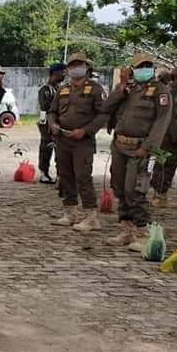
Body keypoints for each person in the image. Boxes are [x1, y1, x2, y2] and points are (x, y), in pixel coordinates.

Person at [103, 54, 172, 250]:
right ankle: (126, 230)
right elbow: (106, 107)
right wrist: (122, 85)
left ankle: (142, 232)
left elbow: (161, 123)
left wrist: (148, 148)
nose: (144, 69)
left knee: (134, 190)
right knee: (119, 187)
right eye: (140, 66)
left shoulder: (160, 91)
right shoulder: (129, 89)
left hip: (140, 148)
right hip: (120, 145)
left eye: (147, 66)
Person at [47, 53, 109, 231]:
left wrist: (85, 130)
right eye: (72, 65)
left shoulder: (96, 90)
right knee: (65, 176)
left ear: (87, 67)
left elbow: (103, 115)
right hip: (63, 139)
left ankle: (90, 216)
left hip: (83, 141)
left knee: (83, 176)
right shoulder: (63, 89)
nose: (75, 68)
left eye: (79, 65)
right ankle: (70, 212)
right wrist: (53, 124)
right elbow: (52, 111)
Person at [151, 64, 177, 205]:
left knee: (166, 164)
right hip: (168, 136)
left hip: (169, 135)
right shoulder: (172, 91)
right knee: (165, 165)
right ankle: (159, 195)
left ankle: (160, 194)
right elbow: (170, 117)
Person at [37, 63, 65, 184]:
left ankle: (59, 174)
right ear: (54, 73)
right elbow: (45, 107)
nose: (64, 74)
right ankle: (44, 173)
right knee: (46, 148)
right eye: (62, 72)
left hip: (58, 122)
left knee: (58, 149)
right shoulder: (45, 89)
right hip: (47, 122)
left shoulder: (59, 88)